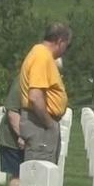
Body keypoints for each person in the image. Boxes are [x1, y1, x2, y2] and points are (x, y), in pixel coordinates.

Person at [19, 23, 72, 163]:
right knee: (39, 175)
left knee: (46, 175)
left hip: (41, 122)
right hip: (40, 124)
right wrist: (49, 124)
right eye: (67, 45)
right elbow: (35, 97)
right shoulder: (41, 56)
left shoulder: (42, 55)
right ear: (60, 41)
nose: (66, 50)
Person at [0, 77, 25, 186]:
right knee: (17, 174)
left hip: (30, 135)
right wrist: (22, 135)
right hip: (13, 138)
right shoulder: (21, 82)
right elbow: (12, 112)